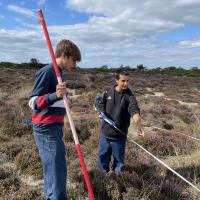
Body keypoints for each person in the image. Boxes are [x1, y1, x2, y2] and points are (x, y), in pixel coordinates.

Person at [28, 39, 81, 200]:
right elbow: (33, 102)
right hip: (45, 128)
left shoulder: (59, 73)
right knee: (56, 170)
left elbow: (53, 99)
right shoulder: (48, 71)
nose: (75, 64)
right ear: (64, 55)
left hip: (55, 127)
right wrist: (54, 96)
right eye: (74, 60)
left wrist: (61, 100)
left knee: (56, 169)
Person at [97, 70, 144, 173]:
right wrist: (100, 112)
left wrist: (139, 124)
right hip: (105, 134)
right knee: (102, 160)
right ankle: (102, 180)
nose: (126, 83)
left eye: (127, 81)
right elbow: (101, 104)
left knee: (118, 164)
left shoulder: (129, 96)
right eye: (123, 81)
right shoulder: (107, 92)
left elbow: (134, 110)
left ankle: (117, 182)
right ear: (117, 80)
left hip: (119, 136)